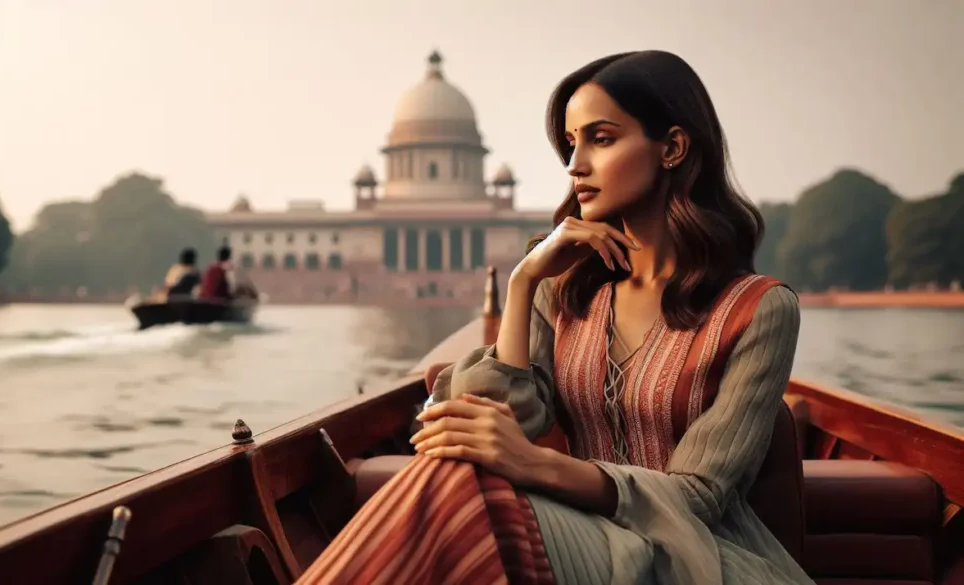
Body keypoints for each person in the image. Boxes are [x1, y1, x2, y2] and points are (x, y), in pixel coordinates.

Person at [296, 50, 813, 585]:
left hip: (700, 557)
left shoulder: (759, 309)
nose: (575, 165)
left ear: (674, 148)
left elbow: (701, 495)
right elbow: (486, 421)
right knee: (455, 474)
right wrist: (522, 283)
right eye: (571, 144)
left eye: (602, 138)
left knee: (472, 496)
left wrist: (536, 464)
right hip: (585, 538)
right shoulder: (566, 291)